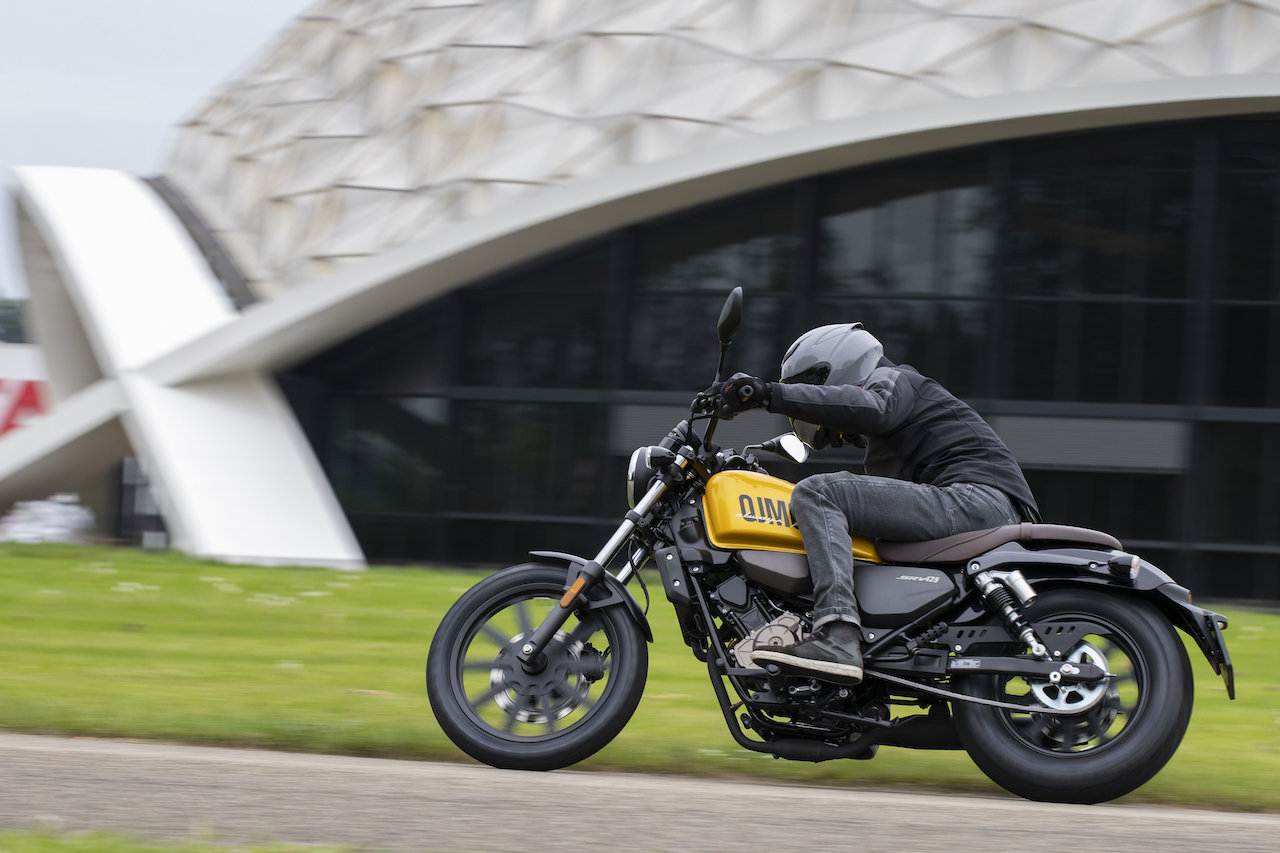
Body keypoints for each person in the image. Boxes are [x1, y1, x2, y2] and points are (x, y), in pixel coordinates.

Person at [702, 323, 1039, 684]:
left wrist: (767, 393)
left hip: (976, 499)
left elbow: (870, 410)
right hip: (970, 504)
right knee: (835, 512)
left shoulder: (893, 380)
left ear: (835, 367)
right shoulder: (892, 431)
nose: (841, 437)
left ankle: (838, 634)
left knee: (818, 492)